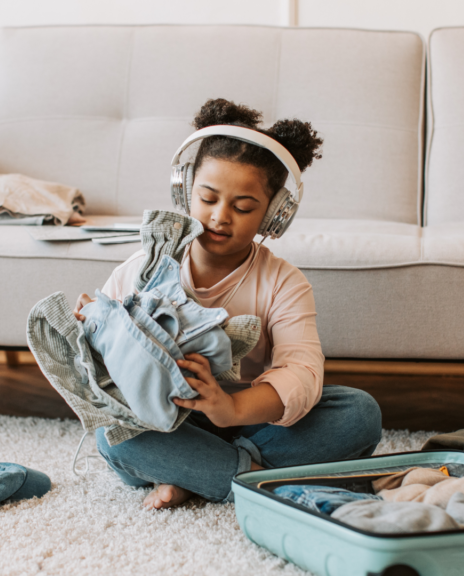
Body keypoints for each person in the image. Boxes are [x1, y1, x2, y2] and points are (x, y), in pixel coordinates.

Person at [72, 98, 383, 509]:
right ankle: (253, 479)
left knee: (359, 412)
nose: (220, 217)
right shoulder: (140, 268)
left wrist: (231, 407)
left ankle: (198, 475)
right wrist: (93, 327)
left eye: (243, 207)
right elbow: (103, 378)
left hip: (250, 418)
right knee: (112, 435)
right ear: (184, 191)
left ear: (273, 215)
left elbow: (302, 372)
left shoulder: (284, 282)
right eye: (208, 198)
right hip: (168, 424)